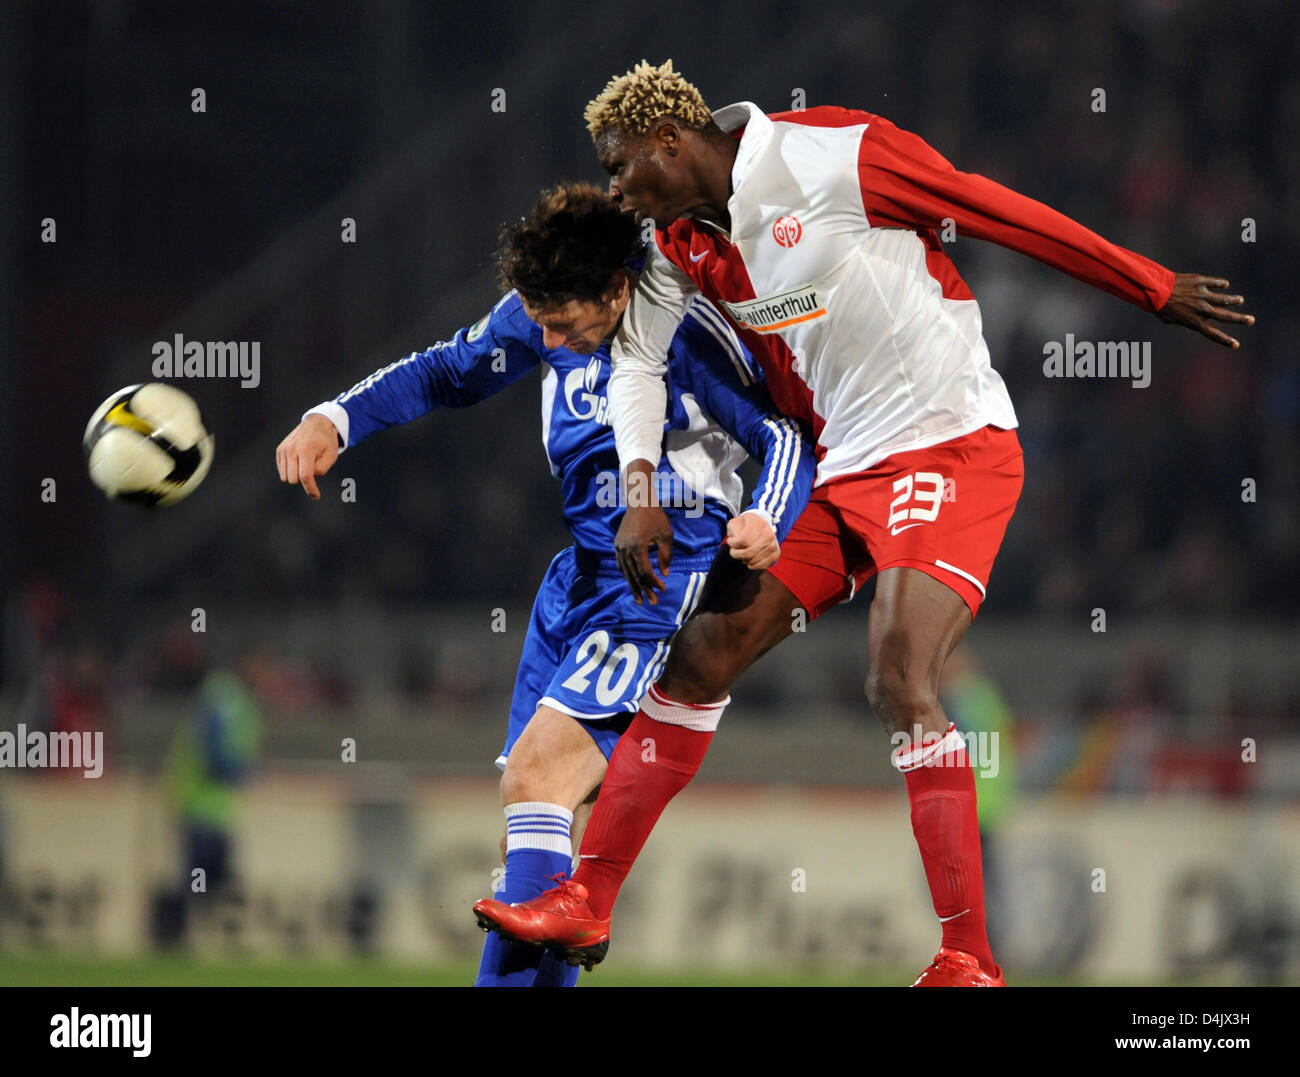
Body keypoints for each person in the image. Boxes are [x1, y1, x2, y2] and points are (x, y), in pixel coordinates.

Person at [471, 60, 1253, 986]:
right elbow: (639, 361)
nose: (612, 188)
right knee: (702, 655)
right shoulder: (683, 240)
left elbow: (995, 208)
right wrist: (641, 486)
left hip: (949, 443)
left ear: (669, 142)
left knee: (898, 673)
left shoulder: (833, 155)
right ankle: (589, 895)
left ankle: (968, 956)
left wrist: (1151, 286)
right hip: (848, 464)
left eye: (618, 165)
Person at [276, 181, 813, 985]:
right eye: (541, 322)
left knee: (536, 778)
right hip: (580, 576)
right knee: (532, 827)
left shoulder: (681, 333)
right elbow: (449, 371)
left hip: (656, 580)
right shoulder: (545, 312)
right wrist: (336, 419)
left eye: (566, 324)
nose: (549, 339)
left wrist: (766, 519)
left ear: (618, 291)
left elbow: (782, 434)